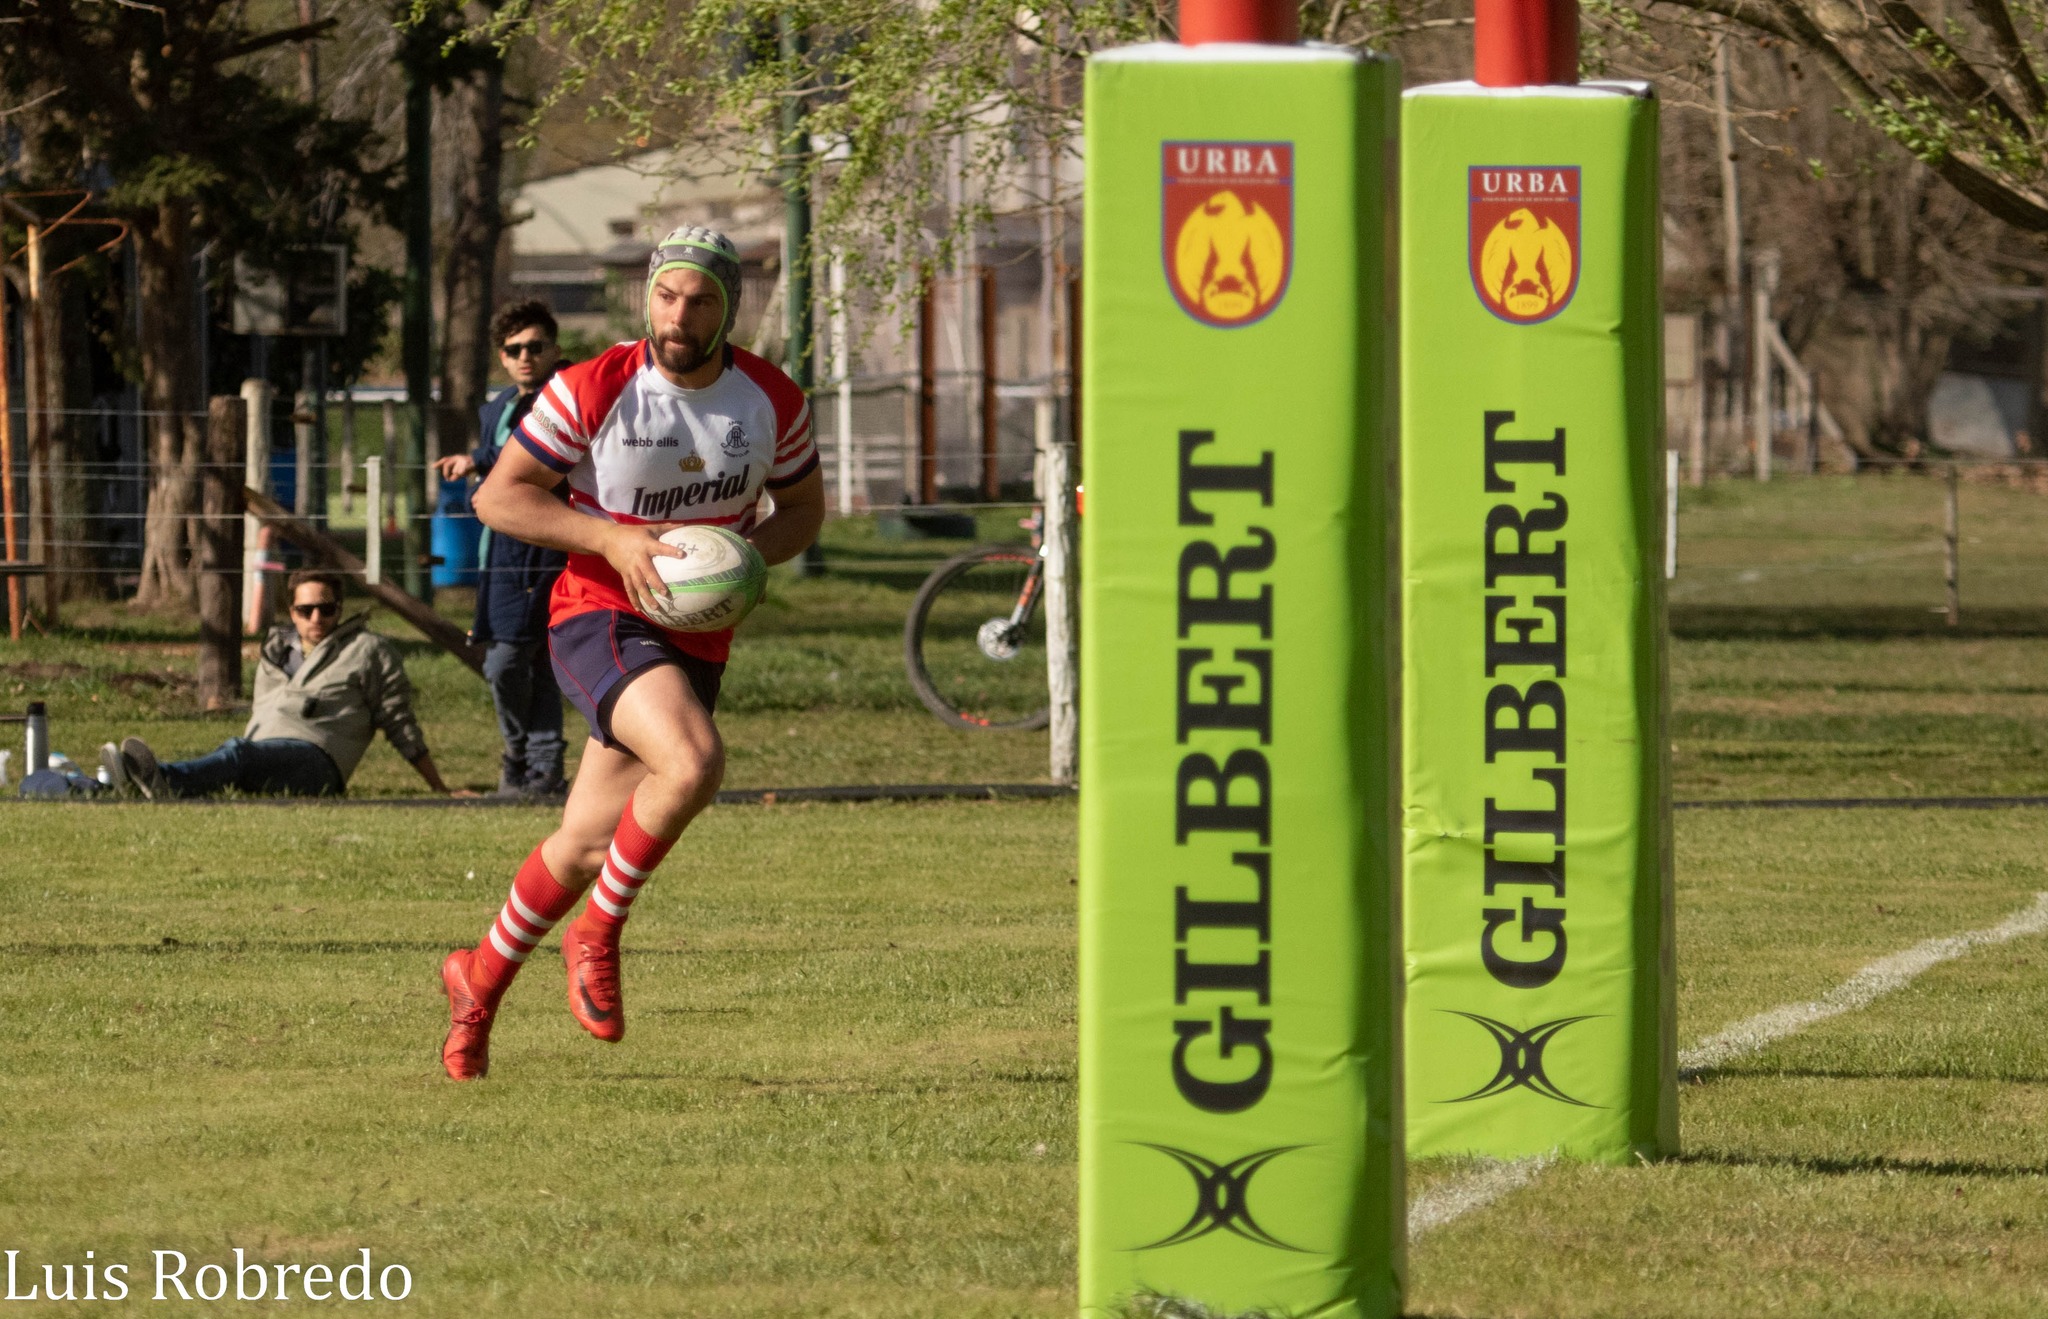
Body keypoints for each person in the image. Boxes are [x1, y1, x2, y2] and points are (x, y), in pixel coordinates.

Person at [438, 225, 825, 1080]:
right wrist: (610, 541)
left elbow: (802, 509)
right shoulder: (593, 387)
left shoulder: (771, 401)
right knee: (691, 763)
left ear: (729, 308)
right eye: (667, 294)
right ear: (648, 293)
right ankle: (598, 930)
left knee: (582, 841)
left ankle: (478, 979)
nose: (679, 314)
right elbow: (500, 499)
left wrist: (749, 560)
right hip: (597, 611)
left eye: (701, 300)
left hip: (696, 635)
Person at [102, 570, 464, 800]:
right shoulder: (277, 651)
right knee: (237, 757)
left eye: (327, 609)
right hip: (262, 753)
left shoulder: (368, 650)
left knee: (236, 753)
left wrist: (438, 787)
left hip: (317, 760)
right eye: (306, 611)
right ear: (292, 612)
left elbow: (399, 721)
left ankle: (162, 780)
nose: (317, 618)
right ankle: (101, 785)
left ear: (341, 609)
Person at [433, 300, 572, 797]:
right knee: (525, 661)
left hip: (548, 544)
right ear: (502, 357)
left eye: (536, 346)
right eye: (514, 349)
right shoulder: (497, 406)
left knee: (508, 660)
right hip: (502, 548)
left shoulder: (568, 395)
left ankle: (526, 758)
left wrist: (477, 459)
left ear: (555, 350)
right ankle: (538, 768)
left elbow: (535, 445)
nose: (525, 356)